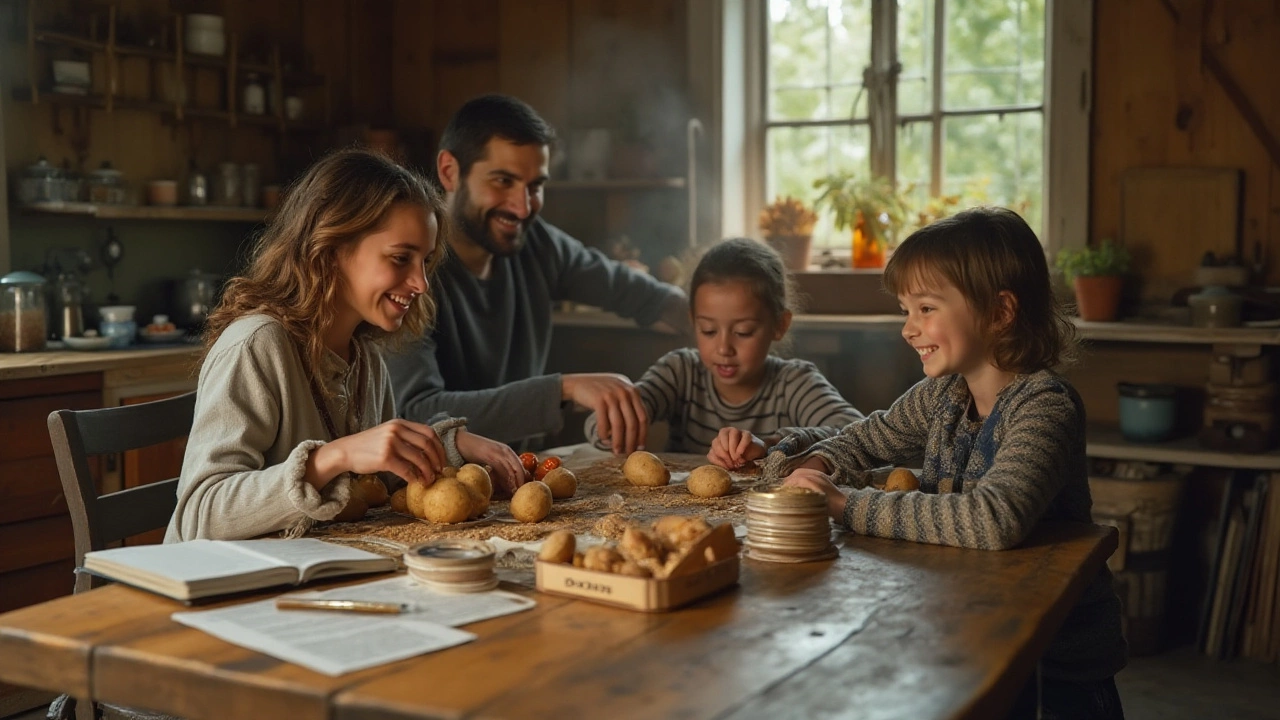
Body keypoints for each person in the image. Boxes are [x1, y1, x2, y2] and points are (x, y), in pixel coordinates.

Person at [776, 207, 1126, 719]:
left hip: (1056, 667)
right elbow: (862, 439)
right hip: (971, 639)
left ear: (1000, 312)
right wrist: (793, 455)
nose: (908, 329)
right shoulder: (942, 395)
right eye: (905, 311)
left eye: (925, 308)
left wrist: (846, 503)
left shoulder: (1044, 406)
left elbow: (993, 518)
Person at [166, 149, 525, 543]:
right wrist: (335, 456)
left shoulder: (367, 358)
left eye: (424, 261)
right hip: (219, 595)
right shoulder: (256, 345)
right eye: (401, 258)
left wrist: (450, 443)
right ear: (332, 249)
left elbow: (376, 482)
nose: (421, 283)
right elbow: (201, 516)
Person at [385, 94, 690, 449]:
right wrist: (565, 389)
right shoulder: (407, 273)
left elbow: (644, 296)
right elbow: (418, 414)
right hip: (435, 491)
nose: (523, 207)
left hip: (524, 481)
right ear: (449, 171)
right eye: (503, 181)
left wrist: (726, 322)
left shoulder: (538, 244)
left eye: (535, 186)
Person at [583, 237, 862, 457]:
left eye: (743, 332)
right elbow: (600, 426)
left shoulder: (794, 383)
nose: (724, 347)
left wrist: (774, 444)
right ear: (693, 321)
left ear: (779, 325)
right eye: (709, 330)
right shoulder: (681, 372)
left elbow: (858, 434)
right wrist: (614, 423)